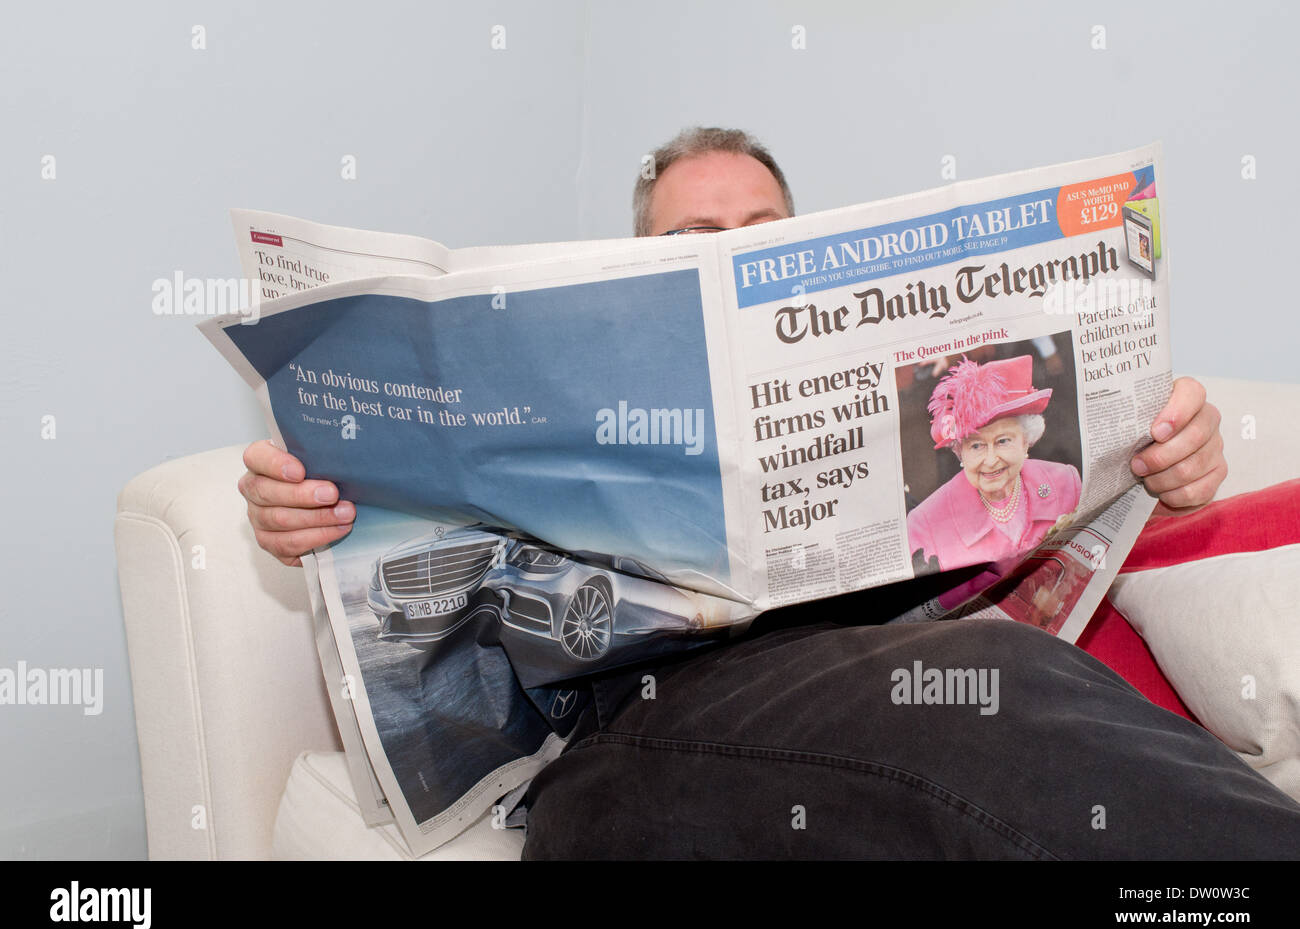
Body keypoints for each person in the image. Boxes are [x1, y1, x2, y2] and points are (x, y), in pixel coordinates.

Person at [238, 128, 1300, 859]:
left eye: (761, 230)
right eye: (689, 245)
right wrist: (319, 508)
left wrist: (1156, 472)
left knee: (989, 676)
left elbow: (1025, 503)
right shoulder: (551, 405)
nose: (730, 249)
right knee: (990, 678)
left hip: (887, 672)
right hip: (643, 736)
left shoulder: (920, 415)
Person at [906, 354, 1081, 609]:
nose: (990, 460)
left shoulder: (1065, 481)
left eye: (1003, 441)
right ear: (959, 452)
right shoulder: (924, 525)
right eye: (976, 445)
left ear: (1026, 442)